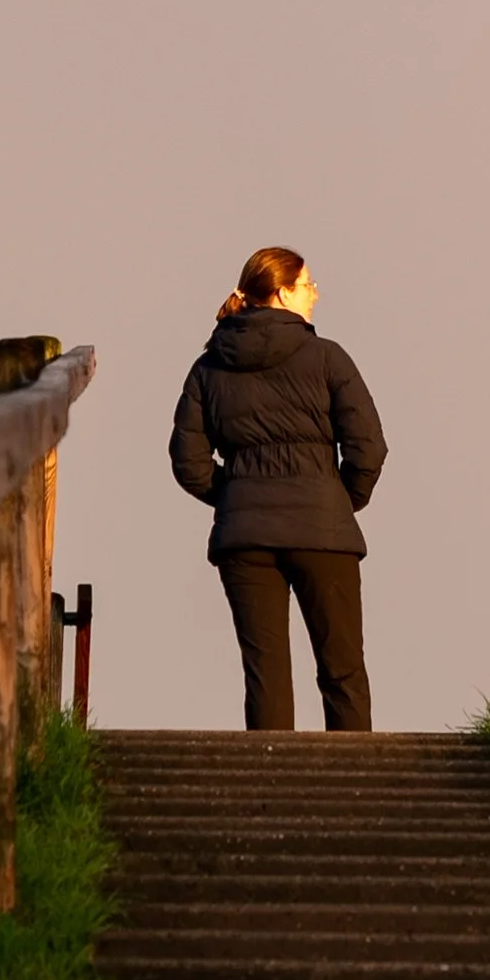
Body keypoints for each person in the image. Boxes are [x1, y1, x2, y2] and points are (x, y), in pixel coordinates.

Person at [169, 244, 387, 732]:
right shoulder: (329, 358)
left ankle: (268, 788)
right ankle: (354, 788)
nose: (315, 294)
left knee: (264, 674)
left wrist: (236, 496)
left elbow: (189, 461)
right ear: (283, 292)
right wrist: (338, 499)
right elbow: (368, 446)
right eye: (308, 286)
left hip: (244, 537)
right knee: (343, 669)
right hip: (323, 530)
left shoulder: (208, 367)